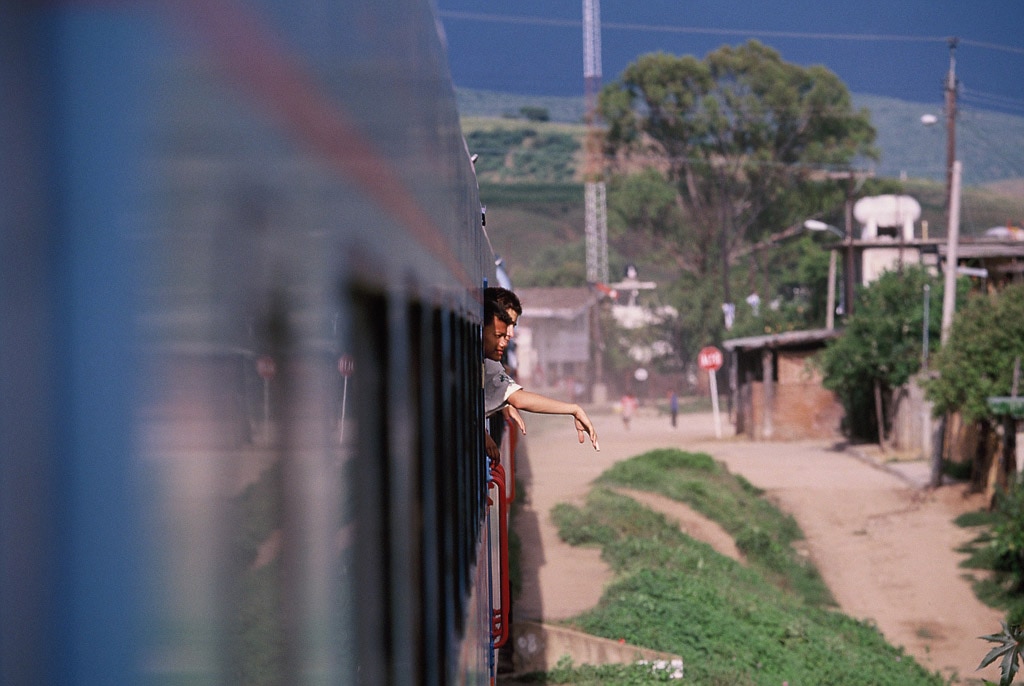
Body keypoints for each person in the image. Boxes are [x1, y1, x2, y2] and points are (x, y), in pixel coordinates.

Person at [482, 294, 599, 456]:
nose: (509, 336)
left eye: (512, 326)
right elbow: (519, 399)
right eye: (499, 333)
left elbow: (518, 398)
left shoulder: (489, 361)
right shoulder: (487, 362)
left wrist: (573, 409)